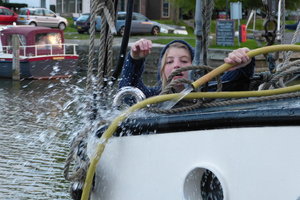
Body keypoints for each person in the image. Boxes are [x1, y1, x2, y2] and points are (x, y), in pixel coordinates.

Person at [119, 38, 255, 98]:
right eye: (170, 62)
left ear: (194, 67)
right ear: (162, 70)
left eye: (184, 61)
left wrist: (244, 61)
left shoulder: (211, 92)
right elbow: (127, 93)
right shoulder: (154, 96)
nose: (177, 65)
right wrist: (134, 59)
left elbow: (237, 81)